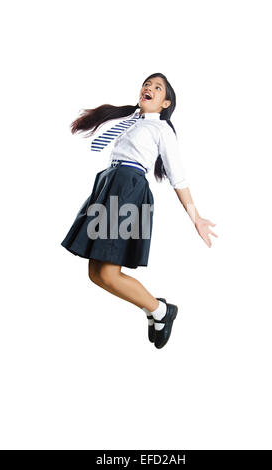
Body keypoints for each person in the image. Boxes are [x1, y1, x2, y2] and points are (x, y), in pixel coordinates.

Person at [61, 73, 218, 349]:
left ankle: (160, 310)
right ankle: (156, 310)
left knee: (108, 273)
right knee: (96, 274)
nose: (149, 88)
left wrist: (196, 217)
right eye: (147, 84)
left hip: (127, 191)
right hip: (109, 185)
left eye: (158, 87)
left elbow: (178, 178)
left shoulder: (162, 130)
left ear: (165, 102)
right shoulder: (131, 122)